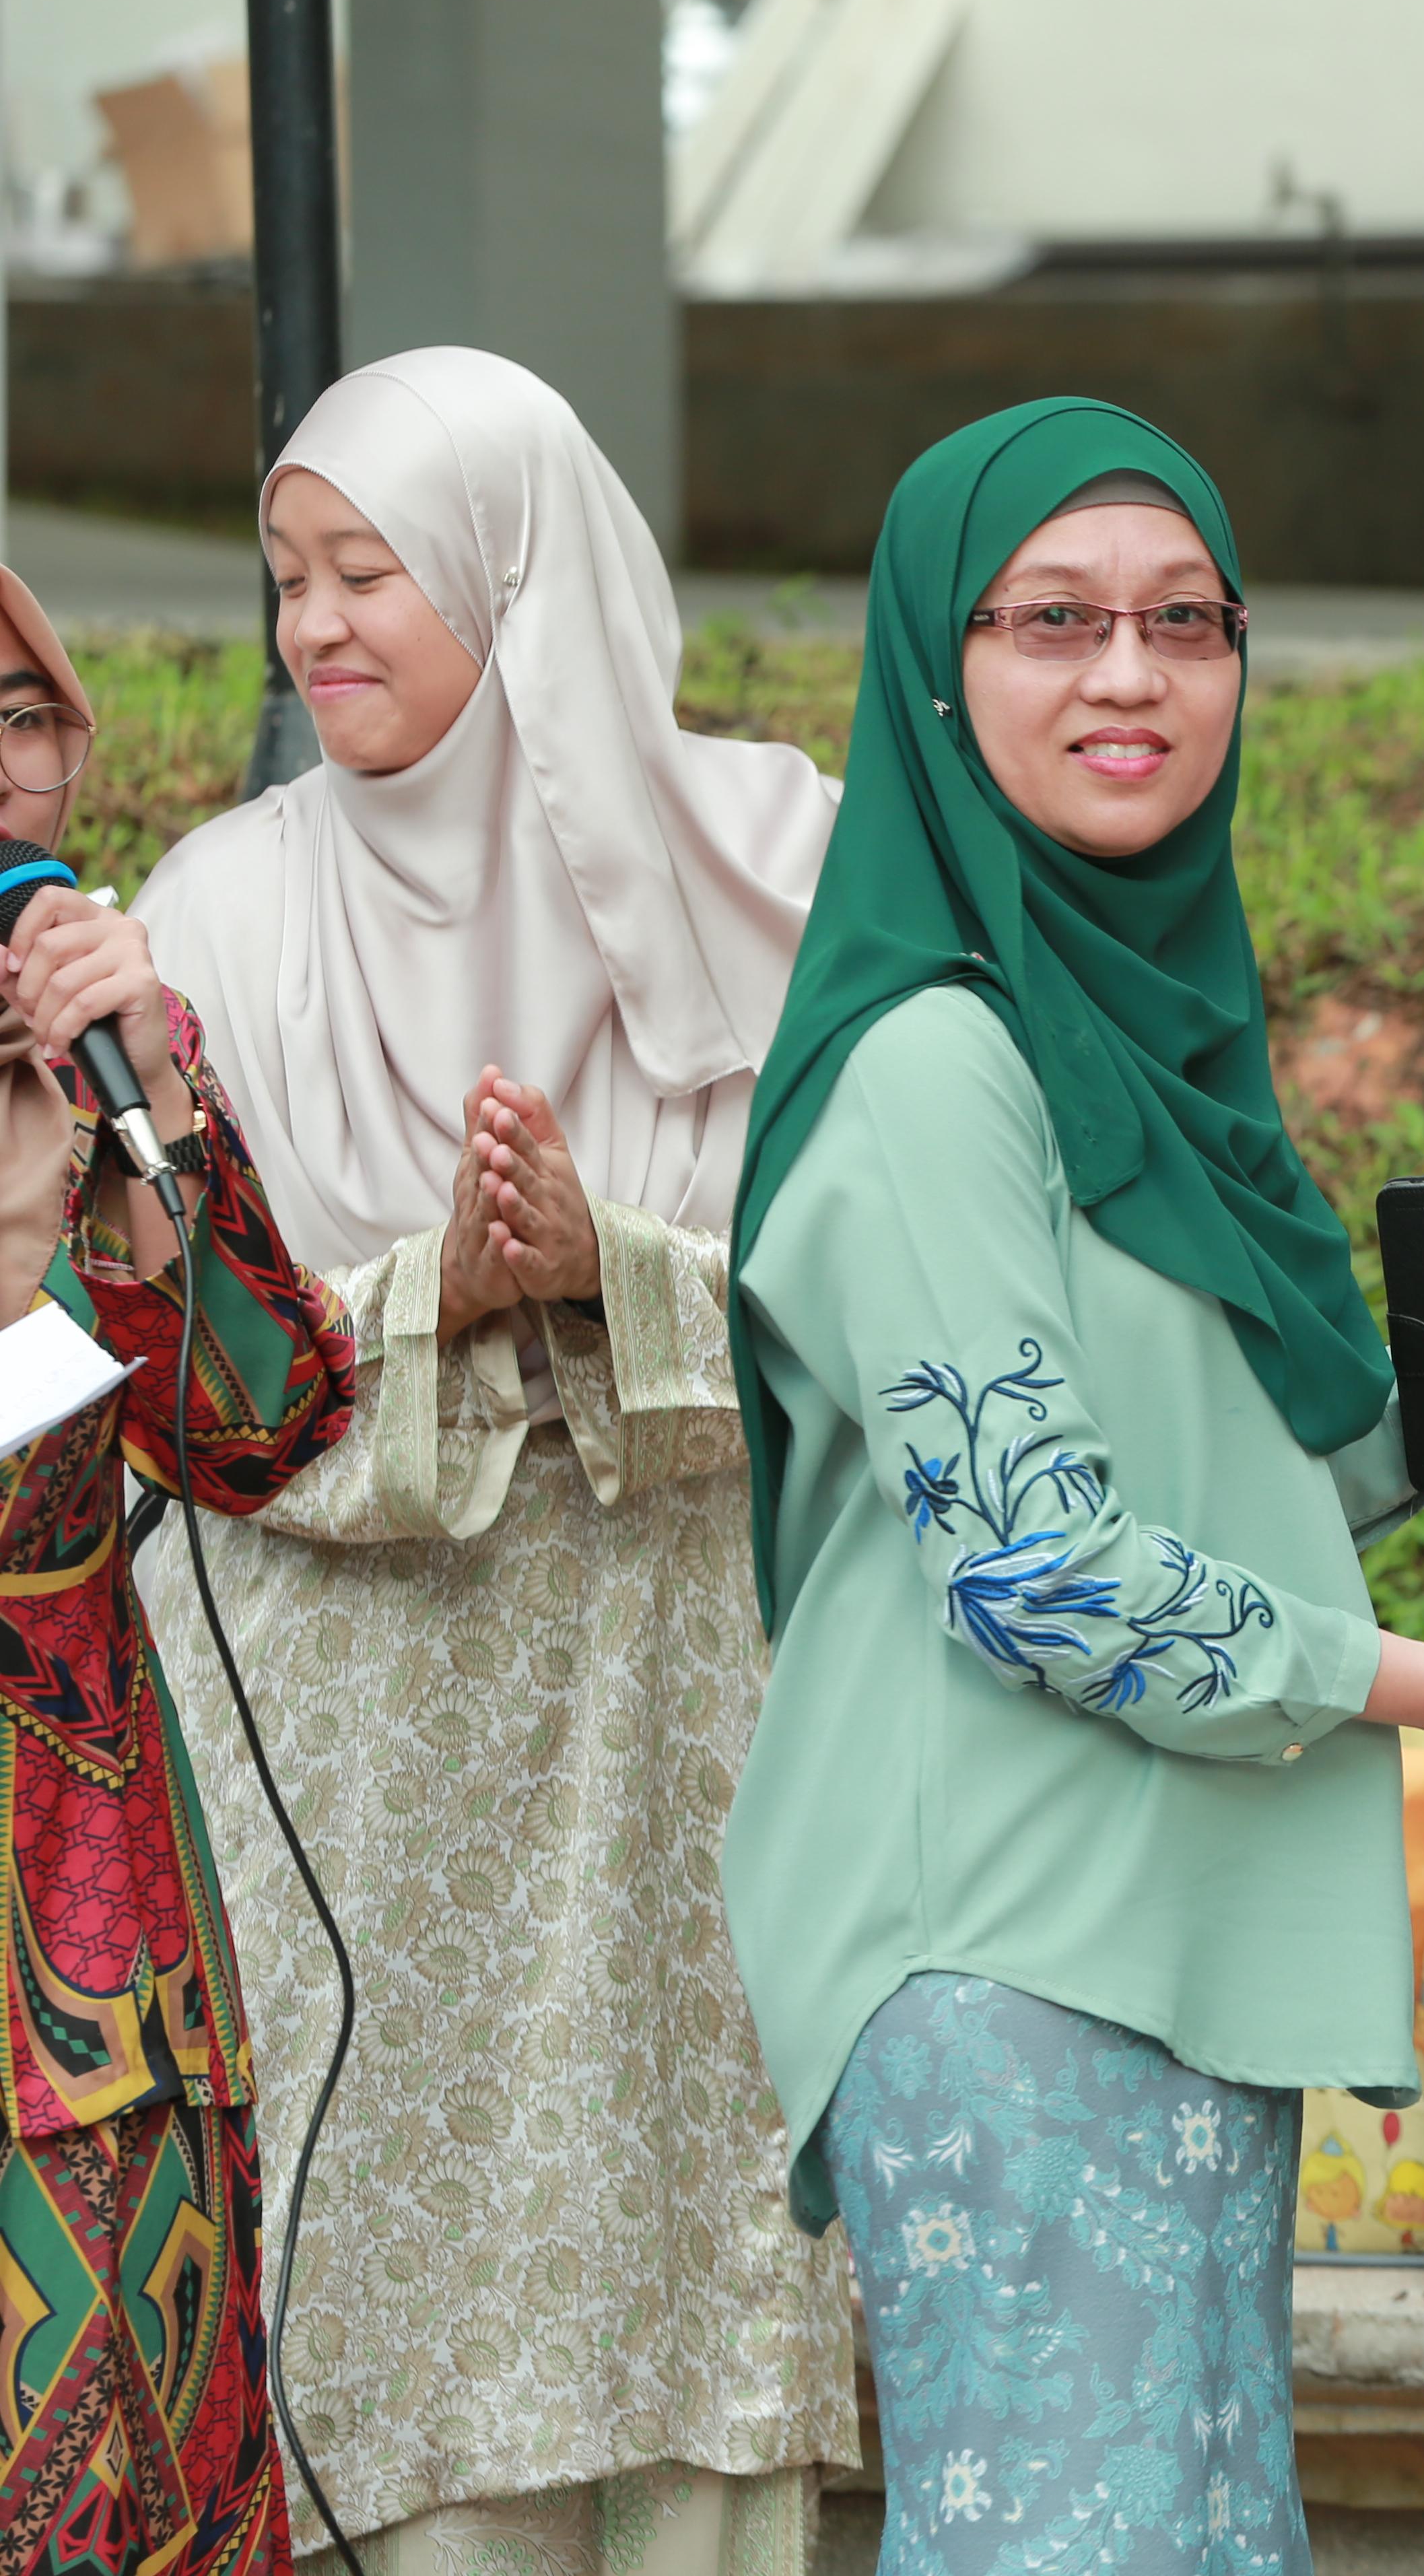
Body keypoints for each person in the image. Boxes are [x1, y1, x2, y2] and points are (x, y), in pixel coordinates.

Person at [717, 400, 1424, 2576]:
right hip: (1010, 1945)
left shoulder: (1131, 1045)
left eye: (1185, 622)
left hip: (1141, 1932)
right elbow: (1041, 1568)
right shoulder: (938, 1064)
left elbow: (1206, 1480)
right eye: (1053, 622)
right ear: (935, 672)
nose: (1131, 675)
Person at [131, 347, 860, 2572]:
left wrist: (611, 1268)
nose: (313, 626)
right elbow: (162, 1351)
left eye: (368, 572)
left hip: (680, 1723)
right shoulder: (217, 910)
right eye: (287, 577)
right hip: (354, 1765)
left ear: (515, 575)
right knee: (384, 2302)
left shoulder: (784, 863)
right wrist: (427, 1296)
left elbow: (893, 1296)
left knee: (685, 2272)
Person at [0, 568, 358, 2576]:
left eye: (21, 719)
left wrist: (156, 1112)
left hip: (96, 1976)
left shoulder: (100, 1065)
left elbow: (263, 1431)